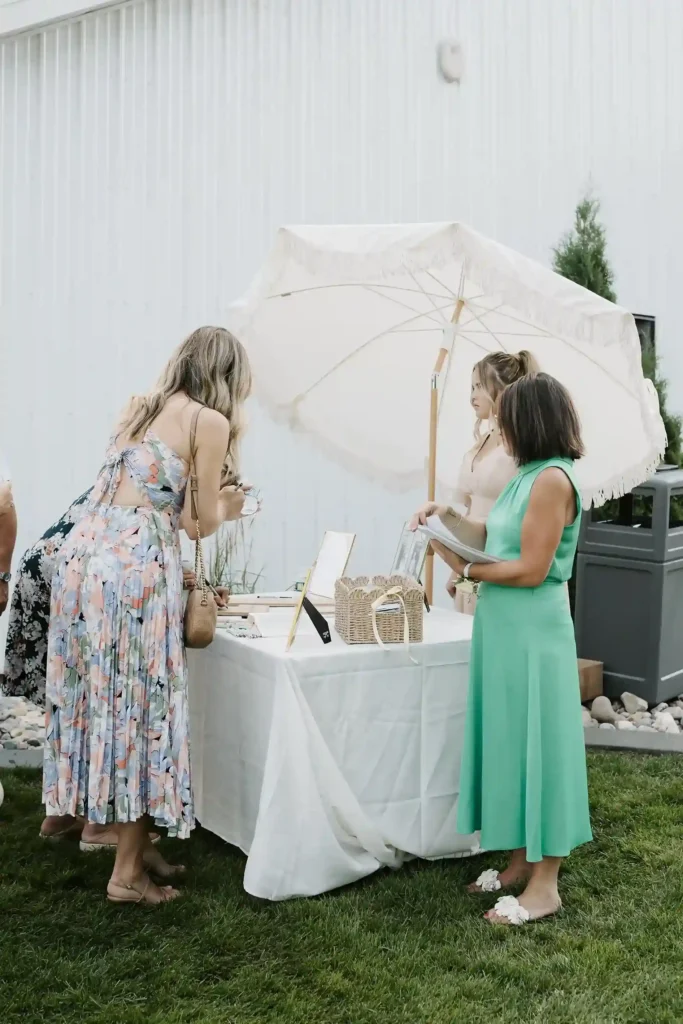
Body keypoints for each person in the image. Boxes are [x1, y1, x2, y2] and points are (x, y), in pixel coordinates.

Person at [43, 326, 252, 905]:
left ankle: (126, 840)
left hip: (84, 562)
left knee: (103, 705)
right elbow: (197, 523)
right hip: (136, 570)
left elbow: (133, 492)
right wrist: (229, 504)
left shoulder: (139, 407)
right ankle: (127, 874)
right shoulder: (209, 422)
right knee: (144, 711)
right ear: (228, 377)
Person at [412, 373, 592, 925]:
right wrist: (443, 518)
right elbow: (490, 536)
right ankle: (519, 860)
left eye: (506, 419)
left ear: (529, 421)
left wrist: (466, 571)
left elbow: (532, 568)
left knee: (541, 743)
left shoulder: (553, 479)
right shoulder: (525, 476)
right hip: (504, 626)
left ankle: (545, 884)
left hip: (534, 631)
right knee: (512, 738)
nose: (499, 428)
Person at [6, 491, 207, 848]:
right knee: (103, 704)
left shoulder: (122, 476)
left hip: (53, 568)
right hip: (88, 578)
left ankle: (61, 815)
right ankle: (98, 828)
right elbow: (149, 549)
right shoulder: (170, 485)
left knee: (74, 703)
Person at [448, 351, 538, 614]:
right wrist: (456, 569)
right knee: (465, 622)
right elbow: (470, 508)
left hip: (498, 556)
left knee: (486, 622)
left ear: (501, 390)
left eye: (479, 386)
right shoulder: (481, 442)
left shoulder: (519, 448)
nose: (472, 396)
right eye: (471, 388)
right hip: (469, 558)